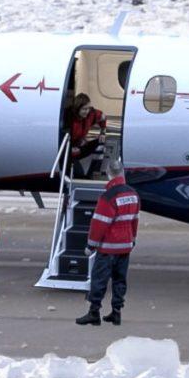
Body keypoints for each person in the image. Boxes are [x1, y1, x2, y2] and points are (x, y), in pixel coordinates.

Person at [76, 163, 137, 326]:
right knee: (119, 279)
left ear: (109, 174)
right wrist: (132, 239)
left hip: (109, 247)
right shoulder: (133, 194)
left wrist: (90, 245)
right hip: (125, 246)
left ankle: (94, 312)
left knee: (99, 280)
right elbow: (134, 220)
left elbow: (99, 224)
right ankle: (116, 312)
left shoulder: (108, 197)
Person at [63, 93, 108, 179]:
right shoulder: (67, 117)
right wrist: (70, 148)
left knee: (101, 143)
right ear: (77, 108)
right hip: (67, 151)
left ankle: (92, 174)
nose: (87, 112)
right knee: (79, 175)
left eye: (88, 108)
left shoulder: (91, 114)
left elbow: (103, 117)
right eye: (84, 109)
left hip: (79, 147)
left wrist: (103, 132)